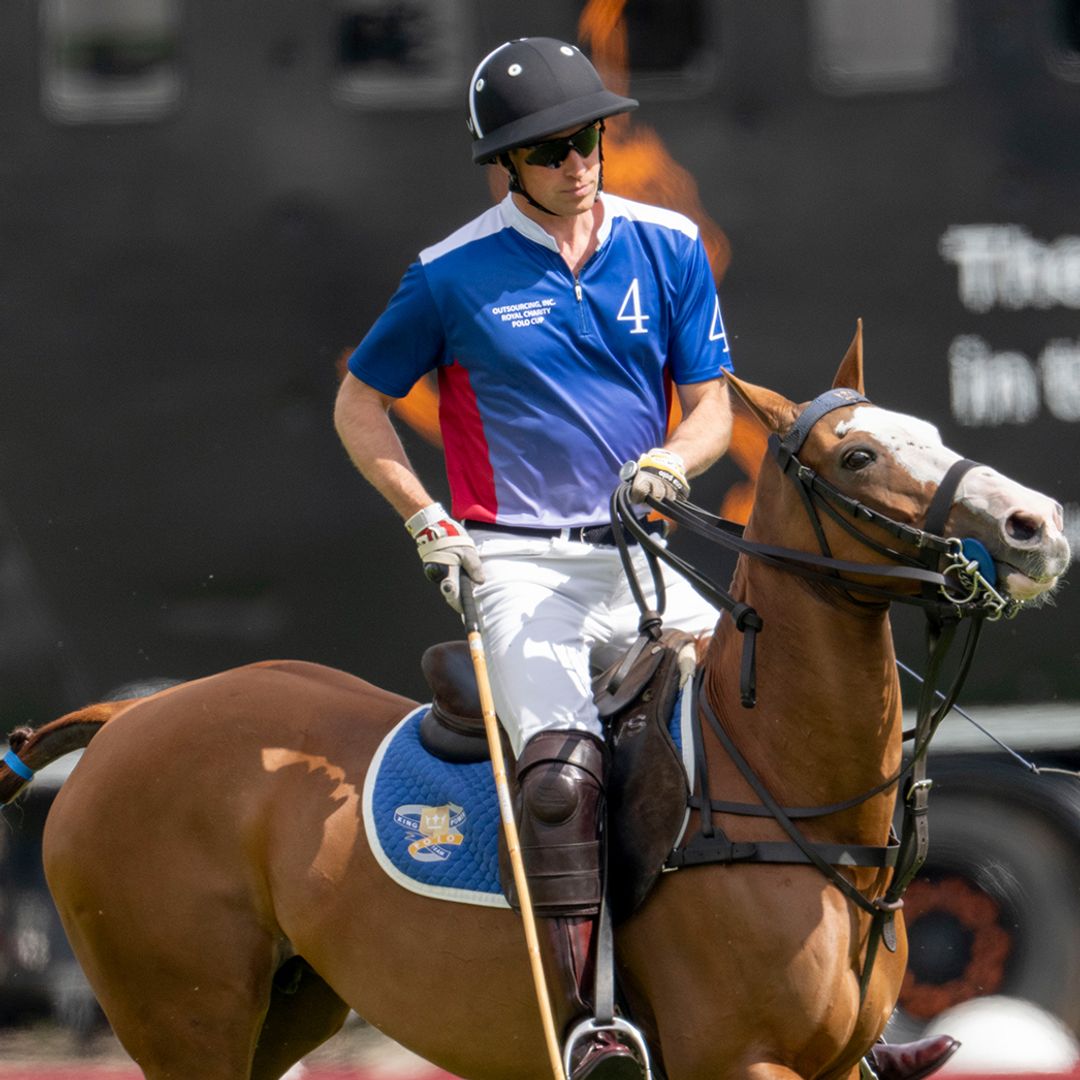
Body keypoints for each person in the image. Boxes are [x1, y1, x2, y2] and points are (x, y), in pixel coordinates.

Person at [334, 35, 958, 1080]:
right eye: (551, 150)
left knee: (788, 721)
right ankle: (596, 1025)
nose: (579, 162)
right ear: (505, 163)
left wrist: (672, 458)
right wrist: (422, 515)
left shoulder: (667, 245)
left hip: (641, 557)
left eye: (591, 138)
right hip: (520, 569)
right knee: (561, 779)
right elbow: (361, 403)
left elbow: (712, 405)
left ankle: (850, 1020)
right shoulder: (449, 276)